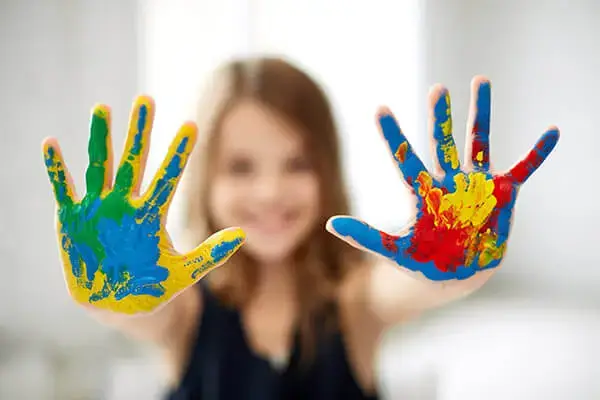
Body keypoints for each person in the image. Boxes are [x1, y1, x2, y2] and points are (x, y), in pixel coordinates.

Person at [41, 56, 559, 400]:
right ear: (204, 181)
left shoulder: (355, 299)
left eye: (298, 163)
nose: (270, 192)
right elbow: (138, 311)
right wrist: (106, 292)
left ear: (328, 171)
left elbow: (408, 286)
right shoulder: (185, 308)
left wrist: (452, 266)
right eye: (242, 167)